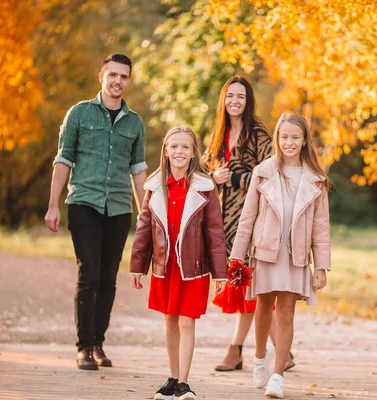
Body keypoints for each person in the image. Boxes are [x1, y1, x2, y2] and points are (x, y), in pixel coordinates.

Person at [44, 54, 147, 370]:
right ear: (101, 75)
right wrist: (52, 204)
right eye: (113, 74)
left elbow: (138, 169)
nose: (118, 81)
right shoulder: (79, 113)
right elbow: (63, 159)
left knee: (108, 278)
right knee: (88, 273)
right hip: (84, 203)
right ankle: (83, 346)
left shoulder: (135, 122)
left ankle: (98, 343)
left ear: (129, 81)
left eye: (124, 76)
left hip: (118, 208)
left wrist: (145, 214)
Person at [230, 113, 331, 398]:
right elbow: (247, 217)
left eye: (295, 137)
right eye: (284, 137)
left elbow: (321, 226)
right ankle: (260, 358)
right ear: (277, 139)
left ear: (304, 141)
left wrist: (321, 266)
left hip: (296, 255)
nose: (289, 142)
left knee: (286, 312)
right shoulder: (263, 172)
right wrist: (237, 256)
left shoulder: (316, 180)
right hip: (265, 253)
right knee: (263, 308)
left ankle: (277, 375)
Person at [130, 125, 227, 400]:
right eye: (174, 146)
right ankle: (171, 380)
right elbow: (143, 228)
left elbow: (215, 232)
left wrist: (220, 273)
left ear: (194, 152)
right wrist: (138, 265)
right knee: (170, 320)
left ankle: (184, 383)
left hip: (193, 269)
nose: (179, 151)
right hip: (165, 265)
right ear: (166, 150)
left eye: (185, 146)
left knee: (187, 321)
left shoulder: (205, 187)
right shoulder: (154, 186)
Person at [205, 76, 294, 372]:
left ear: (248, 100)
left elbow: (272, 174)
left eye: (240, 96)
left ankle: (236, 349)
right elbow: (205, 170)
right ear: (223, 99)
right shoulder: (219, 133)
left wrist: (233, 178)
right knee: (243, 285)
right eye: (230, 95)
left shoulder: (258, 134)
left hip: (255, 220)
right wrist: (214, 176)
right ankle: (283, 350)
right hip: (226, 223)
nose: (235, 101)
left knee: (247, 286)